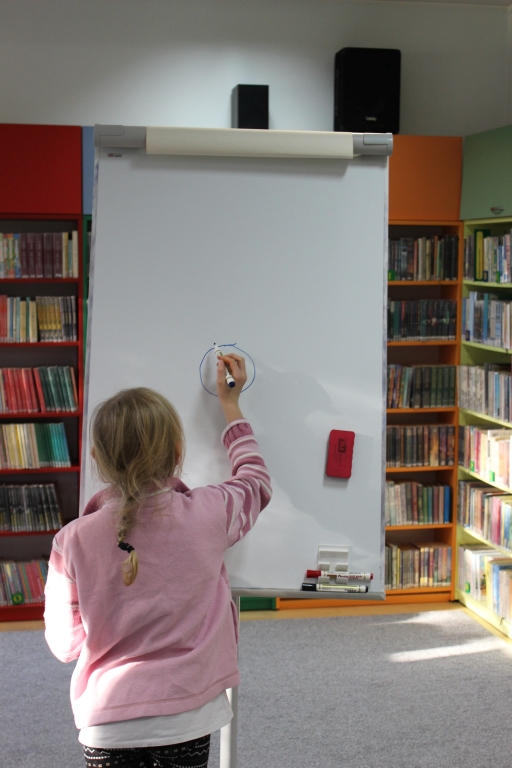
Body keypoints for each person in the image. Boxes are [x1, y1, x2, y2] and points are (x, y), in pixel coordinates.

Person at [44, 353, 272, 768]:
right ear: (178, 451)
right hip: (186, 715)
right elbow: (255, 481)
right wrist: (230, 404)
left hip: (106, 722)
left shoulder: (70, 542)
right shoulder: (210, 512)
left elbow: (65, 646)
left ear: (96, 457)